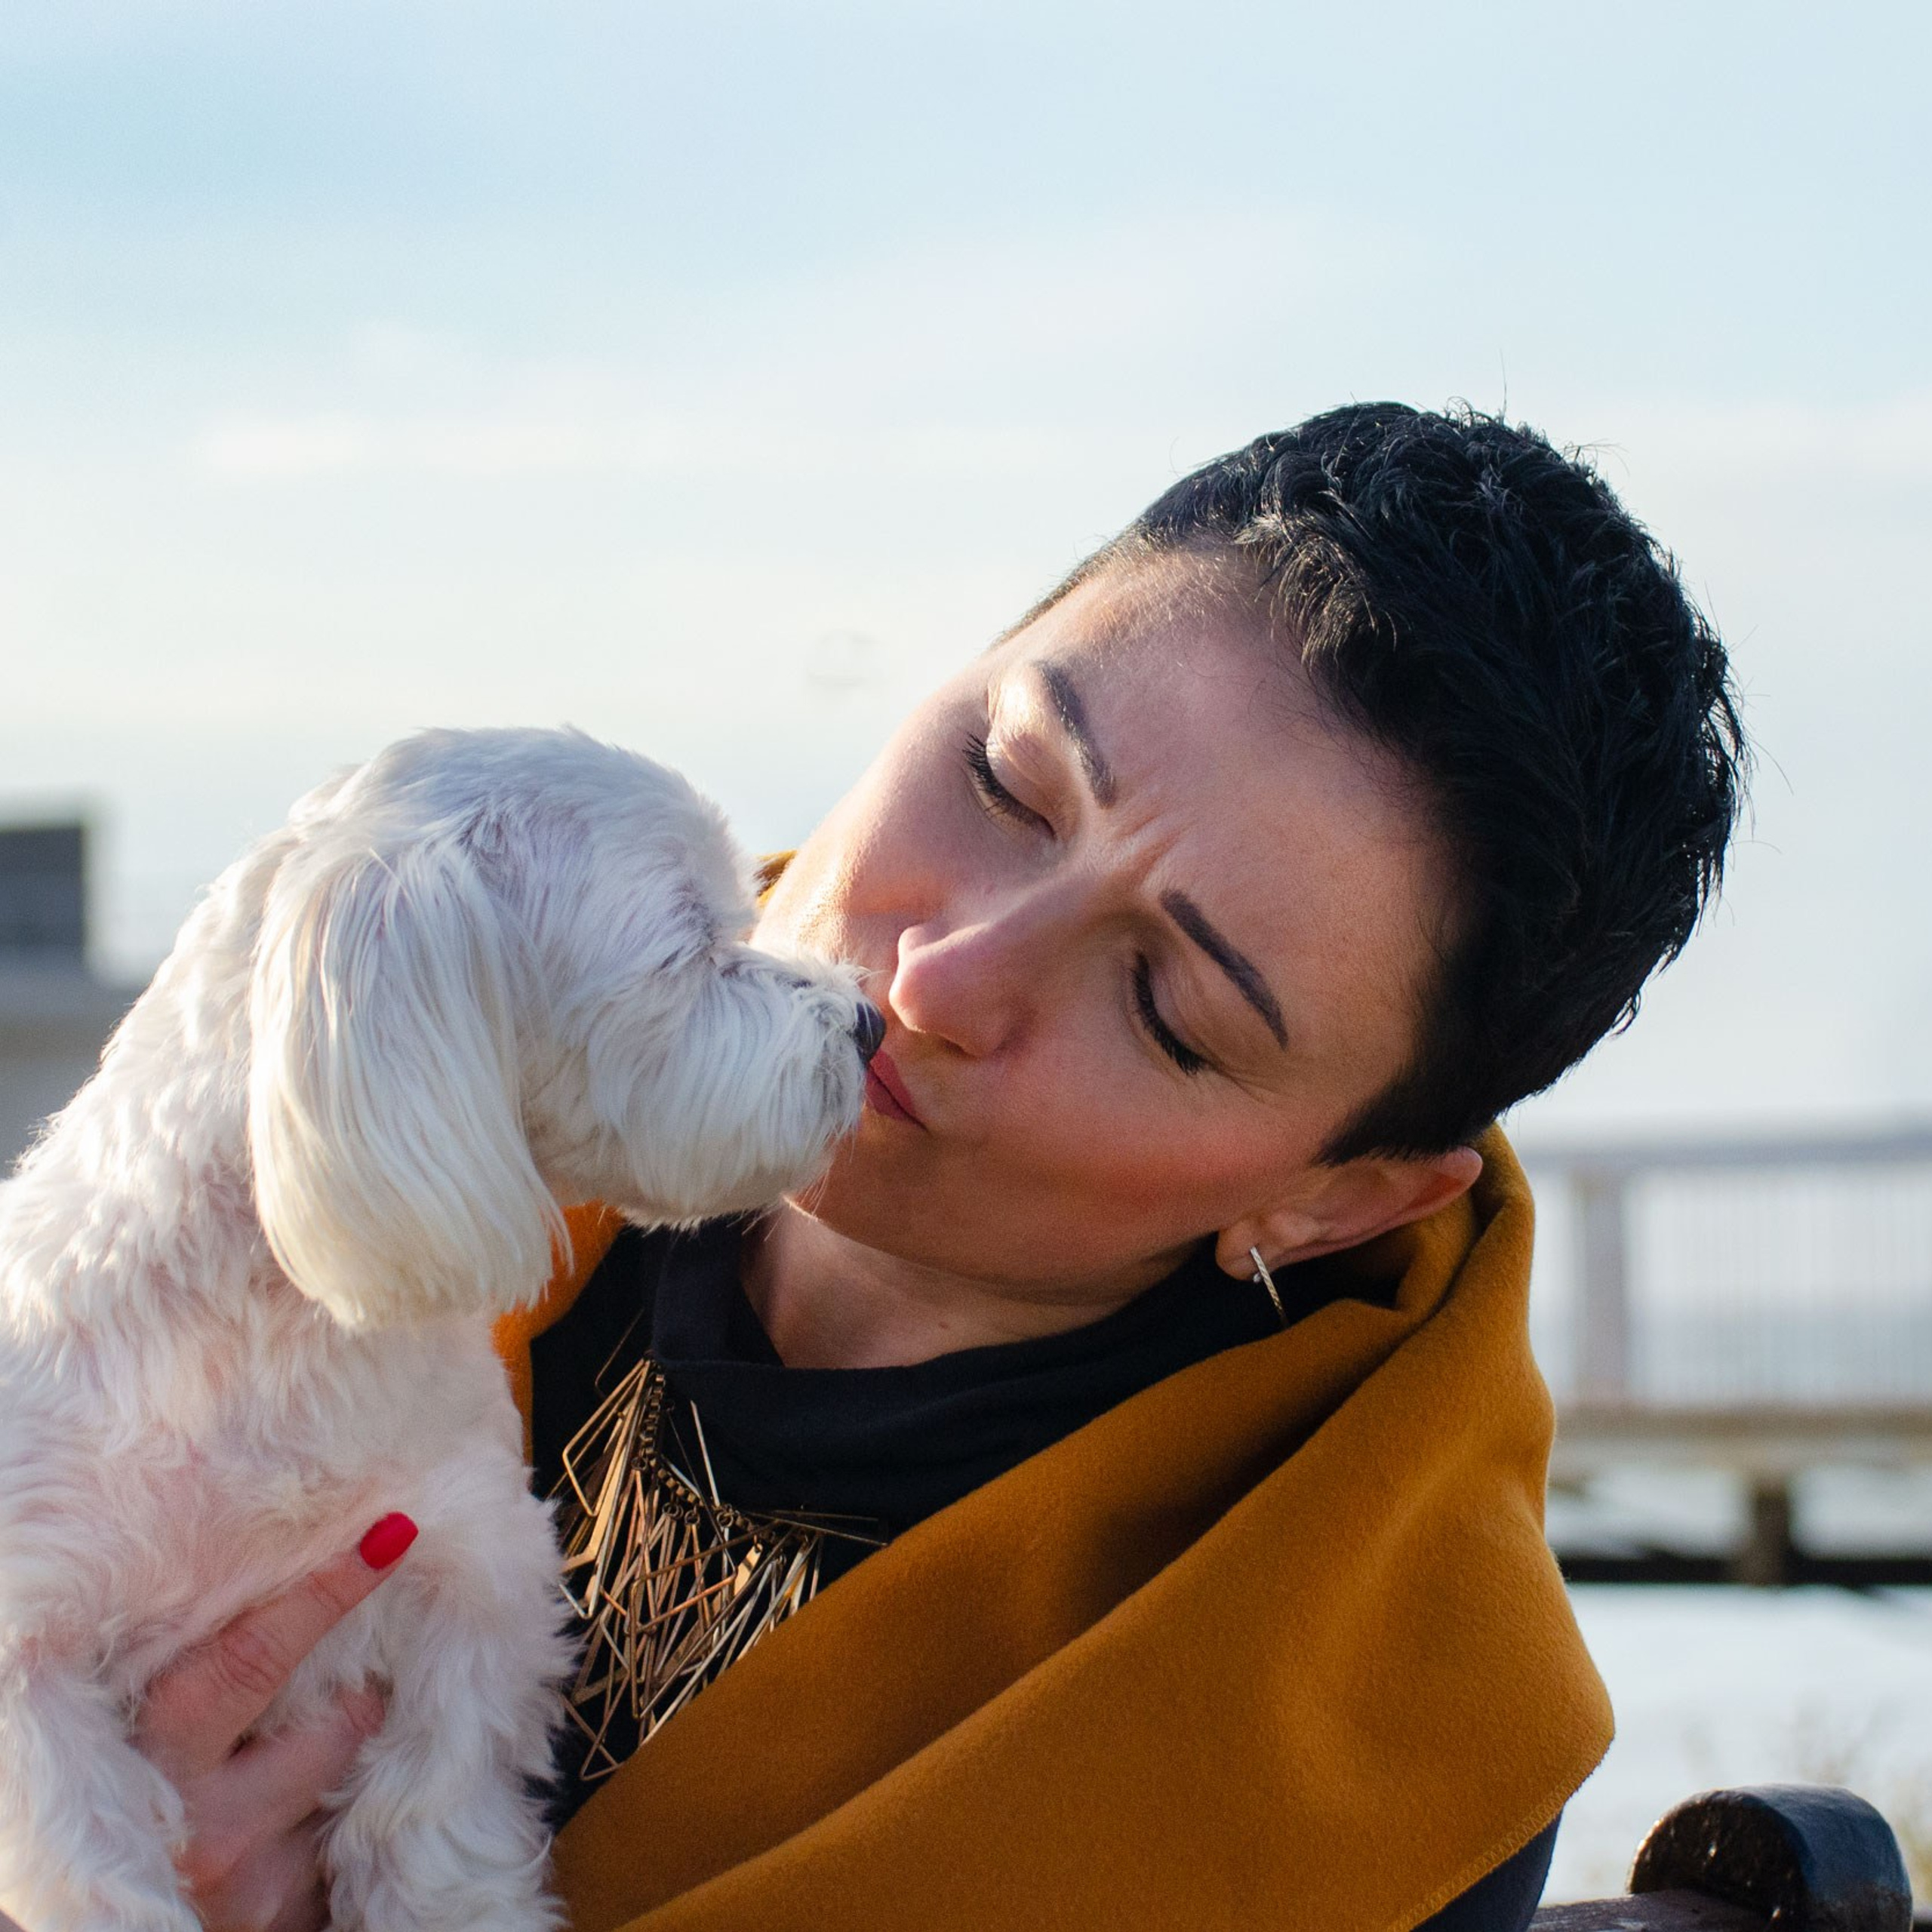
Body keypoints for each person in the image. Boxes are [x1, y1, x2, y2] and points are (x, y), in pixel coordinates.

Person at [135, 402, 1745, 1931]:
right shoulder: (397, 1032)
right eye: (1002, 780)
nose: (942, 978)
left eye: (1166, 1008)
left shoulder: (1360, 1737)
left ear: (1333, 1198)